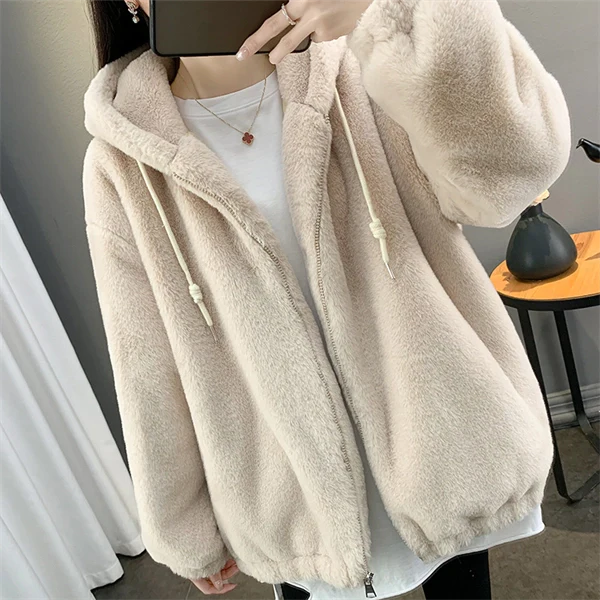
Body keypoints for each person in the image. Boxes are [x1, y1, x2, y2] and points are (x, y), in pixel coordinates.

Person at [83, 1, 571, 598]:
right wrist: (181, 523)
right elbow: (144, 361)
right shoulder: (121, 160)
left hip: (447, 448)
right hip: (292, 499)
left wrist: (391, 7)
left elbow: (509, 179)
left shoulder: (368, 65)